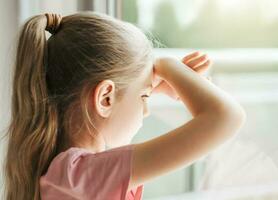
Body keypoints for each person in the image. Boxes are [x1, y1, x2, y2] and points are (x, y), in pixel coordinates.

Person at [2, 11, 246, 200]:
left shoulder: (69, 176)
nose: (147, 110)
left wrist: (153, 85)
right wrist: (168, 65)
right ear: (105, 98)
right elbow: (225, 117)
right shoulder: (83, 176)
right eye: (145, 98)